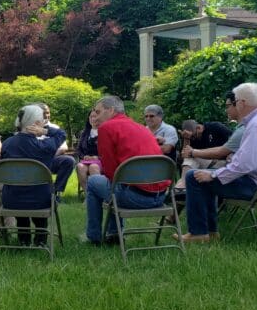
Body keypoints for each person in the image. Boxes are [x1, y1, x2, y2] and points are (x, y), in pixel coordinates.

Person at [177, 82, 257, 243]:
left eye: (235, 102)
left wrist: (214, 175)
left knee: (193, 177)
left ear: (242, 103)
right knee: (201, 177)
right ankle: (211, 232)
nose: (235, 106)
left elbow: (245, 164)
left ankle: (199, 233)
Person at [83, 96, 169, 246]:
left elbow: (110, 172)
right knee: (113, 184)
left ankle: (94, 237)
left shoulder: (106, 128)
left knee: (94, 182)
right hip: (161, 197)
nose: (95, 116)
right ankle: (114, 234)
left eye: (98, 111)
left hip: (134, 198)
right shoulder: (142, 128)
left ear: (110, 110)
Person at [0, 104, 67, 246]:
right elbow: (62, 134)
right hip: (40, 200)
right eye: (43, 120)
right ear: (36, 123)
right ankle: (40, 241)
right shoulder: (45, 146)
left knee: (20, 194)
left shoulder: (7, 144)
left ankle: (23, 240)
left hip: (11, 200)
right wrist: (45, 131)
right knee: (37, 193)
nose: (45, 122)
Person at [175, 97, 236, 189]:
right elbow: (184, 156)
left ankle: (181, 186)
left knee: (193, 157)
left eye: (193, 136)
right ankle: (182, 185)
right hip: (205, 162)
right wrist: (186, 139)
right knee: (190, 159)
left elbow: (233, 140)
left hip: (223, 161)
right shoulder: (190, 138)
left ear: (199, 128)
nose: (193, 139)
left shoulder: (215, 127)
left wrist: (230, 153)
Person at [36, 103, 75, 202]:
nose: (46, 116)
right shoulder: (30, 128)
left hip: (52, 158)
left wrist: (49, 155)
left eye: (48, 113)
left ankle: (56, 192)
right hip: (35, 161)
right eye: (43, 113)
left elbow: (63, 147)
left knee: (69, 161)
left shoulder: (55, 128)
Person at [75, 110, 101, 197]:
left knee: (93, 167)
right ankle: (88, 196)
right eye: (91, 117)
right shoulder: (84, 133)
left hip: (101, 160)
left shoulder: (105, 131)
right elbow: (78, 150)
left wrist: (97, 157)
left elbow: (109, 150)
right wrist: (84, 156)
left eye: (95, 116)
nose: (93, 119)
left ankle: (98, 195)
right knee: (80, 167)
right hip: (86, 161)